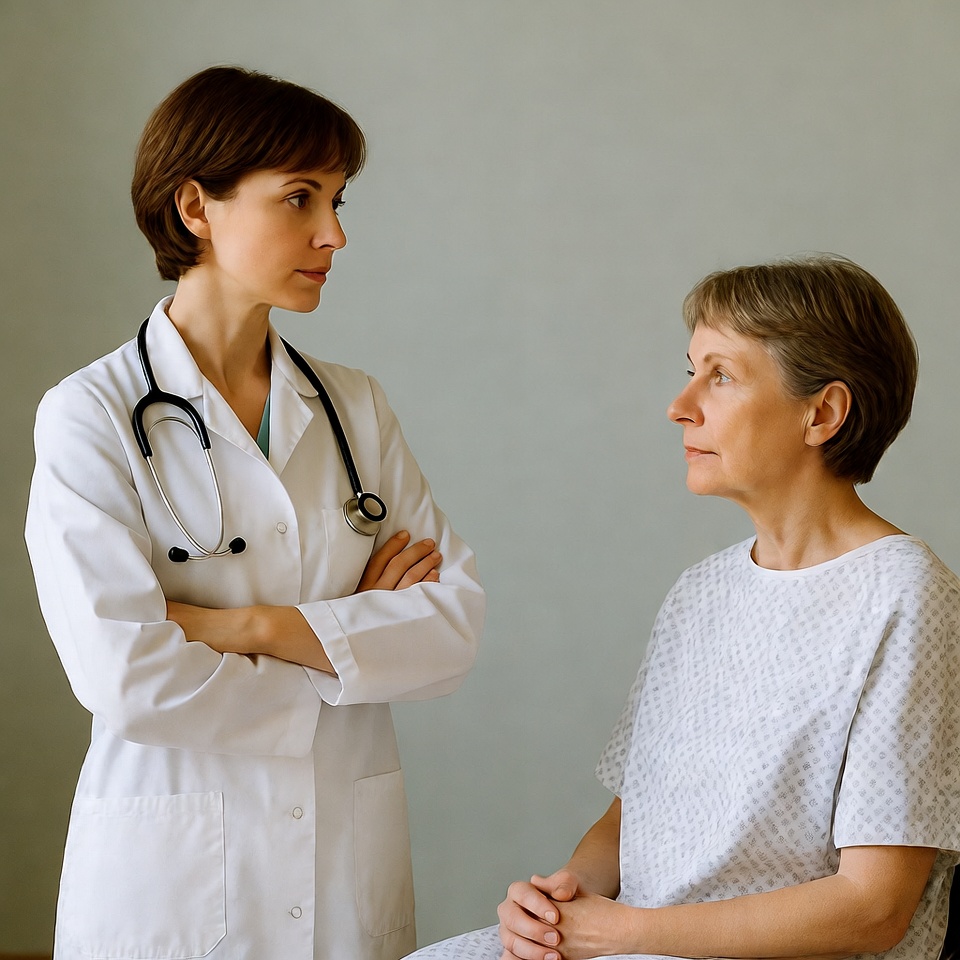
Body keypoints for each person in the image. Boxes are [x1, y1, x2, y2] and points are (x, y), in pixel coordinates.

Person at [25, 65, 485, 960]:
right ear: (196, 206)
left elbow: (449, 629)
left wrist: (236, 625)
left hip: (345, 880)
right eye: (300, 199)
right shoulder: (91, 414)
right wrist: (350, 641)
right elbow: (126, 676)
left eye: (340, 200)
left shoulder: (355, 408)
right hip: (173, 889)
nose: (335, 234)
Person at [407, 255, 959, 960]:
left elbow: (872, 909)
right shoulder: (699, 593)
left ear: (821, 413)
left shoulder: (905, 597)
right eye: (691, 369)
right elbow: (628, 816)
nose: (681, 404)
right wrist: (560, 903)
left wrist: (626, 931)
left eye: (721, 376)